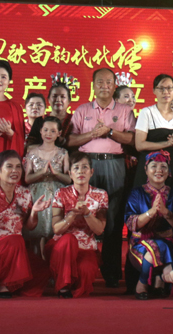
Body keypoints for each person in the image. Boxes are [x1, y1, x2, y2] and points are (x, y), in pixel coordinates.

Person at [66, 67, 135, 288]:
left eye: (108, 82)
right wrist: (92, 134)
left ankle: (111, 271)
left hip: (115, 164)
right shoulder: (82, 110)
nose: (104, 86)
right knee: (85, 213)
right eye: (100, 82)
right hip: (88, 164)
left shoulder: (124, 110)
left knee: (113, 218)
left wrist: (110, 132)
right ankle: (81, 268)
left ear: (115, 86)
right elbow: (70, 140)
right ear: (93, 86)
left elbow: (132, 140)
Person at [0, 150, 50, 298]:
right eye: (9, 166)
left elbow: (30, 226)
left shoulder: (24, 193)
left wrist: (34, 212)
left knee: (42, 269)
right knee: (15, 240)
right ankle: (1, 285)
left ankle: (9, 284)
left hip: (15, 249)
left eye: (18, 167)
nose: (15, 171)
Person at [125, 150, 173, 299]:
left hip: (168, 242)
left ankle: (160, 278)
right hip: (141, 244)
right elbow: (131, 224)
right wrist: (150, 213)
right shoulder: (137, 193)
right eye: (154, 166)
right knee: (154, 248)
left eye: (163, 167)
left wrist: (166, 213)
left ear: (169, 171)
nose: (159, 170)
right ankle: (142, 283)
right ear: (146, 170)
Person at [48, 152, 107, 298]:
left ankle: (72, 283)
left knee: (86, 271)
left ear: (91, 172)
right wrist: (72, 215)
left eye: (85, 167)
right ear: (70, 173)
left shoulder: (101, 195)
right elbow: (56, 229)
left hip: (86, 247)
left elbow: (99, 230)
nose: (81, 171)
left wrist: (87, 213)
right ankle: (63, 286)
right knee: (69, 239)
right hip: (63, 247)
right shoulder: (61, 193)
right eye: (76, 168)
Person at [23, 116, 71, 250]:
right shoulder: (32, 152)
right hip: (37, 194)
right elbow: (27, 179)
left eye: (53, 131)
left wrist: (56, 173)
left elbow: (68, 179)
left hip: (57, 193)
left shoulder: (63, 153)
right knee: (36, 231)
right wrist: (42, 172)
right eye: (45, 130)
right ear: (40, 131)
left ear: (59, 133)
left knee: (53, 231)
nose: (48, 134)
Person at [133, 74, 173, 186]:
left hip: (171, 168)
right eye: (161, 88)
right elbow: (139, 145)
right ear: (154, 91)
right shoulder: (146, 112)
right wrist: (167, 143)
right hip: (150, 169)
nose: (166, 92)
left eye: (169, 88)